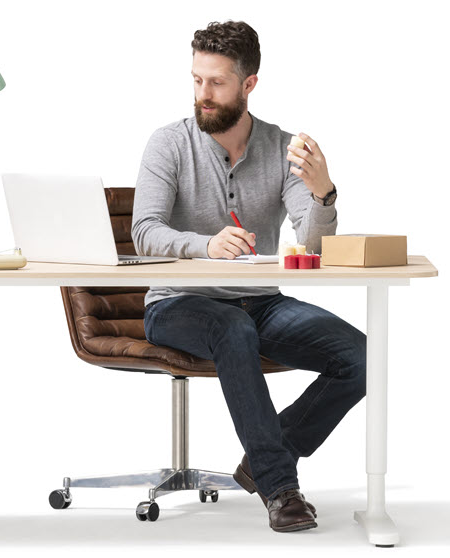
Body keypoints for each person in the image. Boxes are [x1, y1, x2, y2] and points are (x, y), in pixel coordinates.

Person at [131, 20, 365, 533]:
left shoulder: (282, 149)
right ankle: (280, 487)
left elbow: (316, 244)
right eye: (196, 80)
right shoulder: (168, 144)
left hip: (259, 301)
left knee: (362, 357)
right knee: (231, 328)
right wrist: (204, 246)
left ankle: (265, 454)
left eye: (215, 82)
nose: (203, 94)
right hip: (177, 302)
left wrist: (324, 193)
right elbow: (144, 231)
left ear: (249, 83)